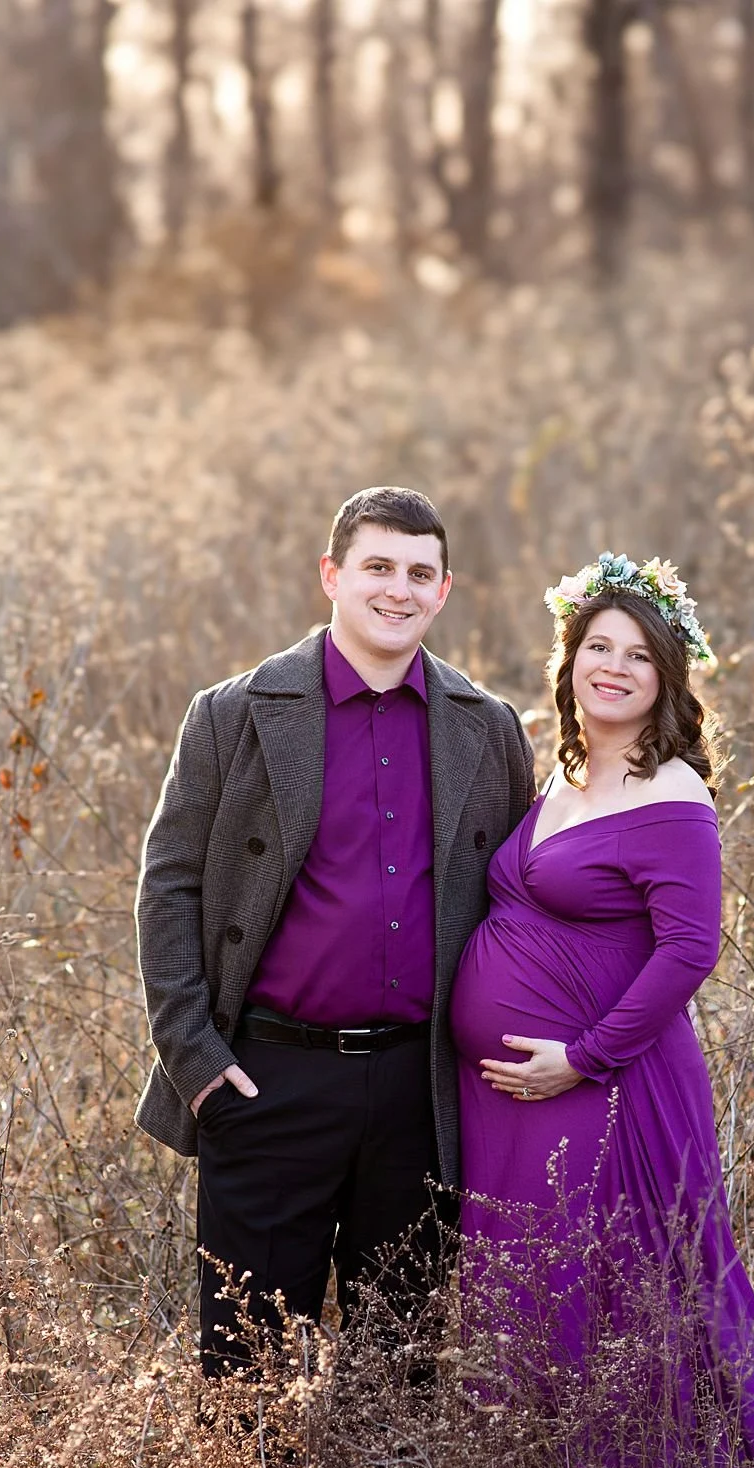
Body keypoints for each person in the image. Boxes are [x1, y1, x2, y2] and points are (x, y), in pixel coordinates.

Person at [135, 487, 535, 1384]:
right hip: (269, 1079)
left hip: (421, 1088)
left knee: (399, 1368)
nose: (398, 590)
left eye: (419, 573)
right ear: (333, 575)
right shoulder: (233, 714)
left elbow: (519, 902)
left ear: (444, 590)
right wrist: (196, 1062)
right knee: (245, 1370)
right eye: (378, 567)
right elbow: (168, 888)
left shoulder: (490, 729)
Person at [449, 551, 754, 1468]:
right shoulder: (564, 775)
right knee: (531, 1291)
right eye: (595, 647)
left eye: (636, 657)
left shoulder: (675, 795)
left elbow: (691, 951)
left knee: (621, 1290)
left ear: (667, 680)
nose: (611, 668)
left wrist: (586, 1055)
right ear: (569, 661)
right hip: (513, 1095)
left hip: (605, 1085)